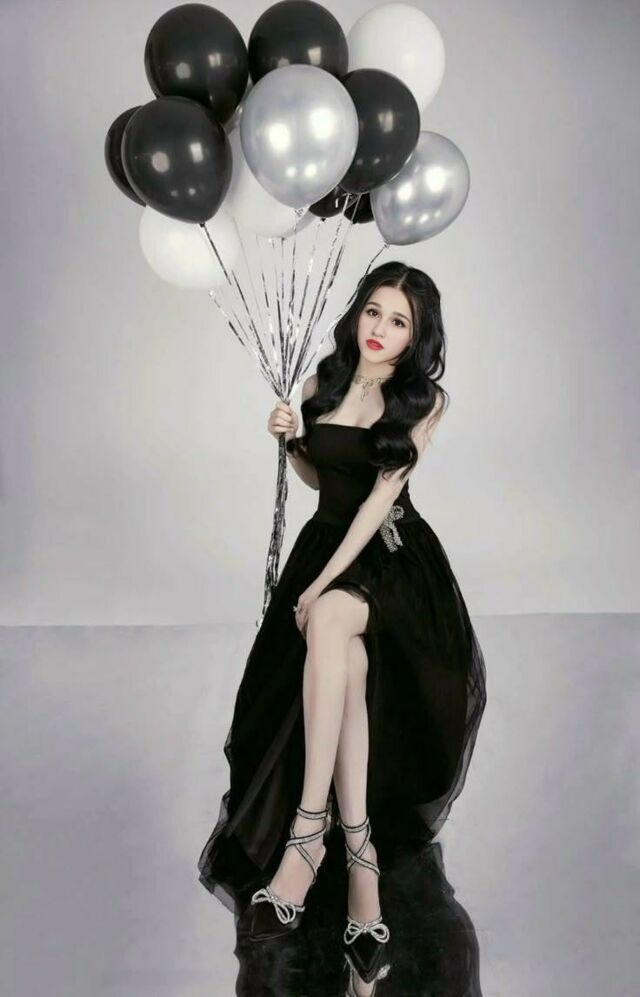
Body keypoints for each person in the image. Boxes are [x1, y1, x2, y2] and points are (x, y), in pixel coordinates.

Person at [197, 261, 487, 988]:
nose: (381, 329)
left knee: (328, 618)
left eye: (400, 321)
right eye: (374, 311)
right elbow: (321, 478)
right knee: (345, 664)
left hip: (390, 559)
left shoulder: (422, 400)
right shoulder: (321, 382)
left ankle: (307, 835)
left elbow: (377, 501)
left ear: (418, 336)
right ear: (358, 312)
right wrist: (292, 441)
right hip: (326, 545)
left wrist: (325, 582)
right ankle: (360, 862)